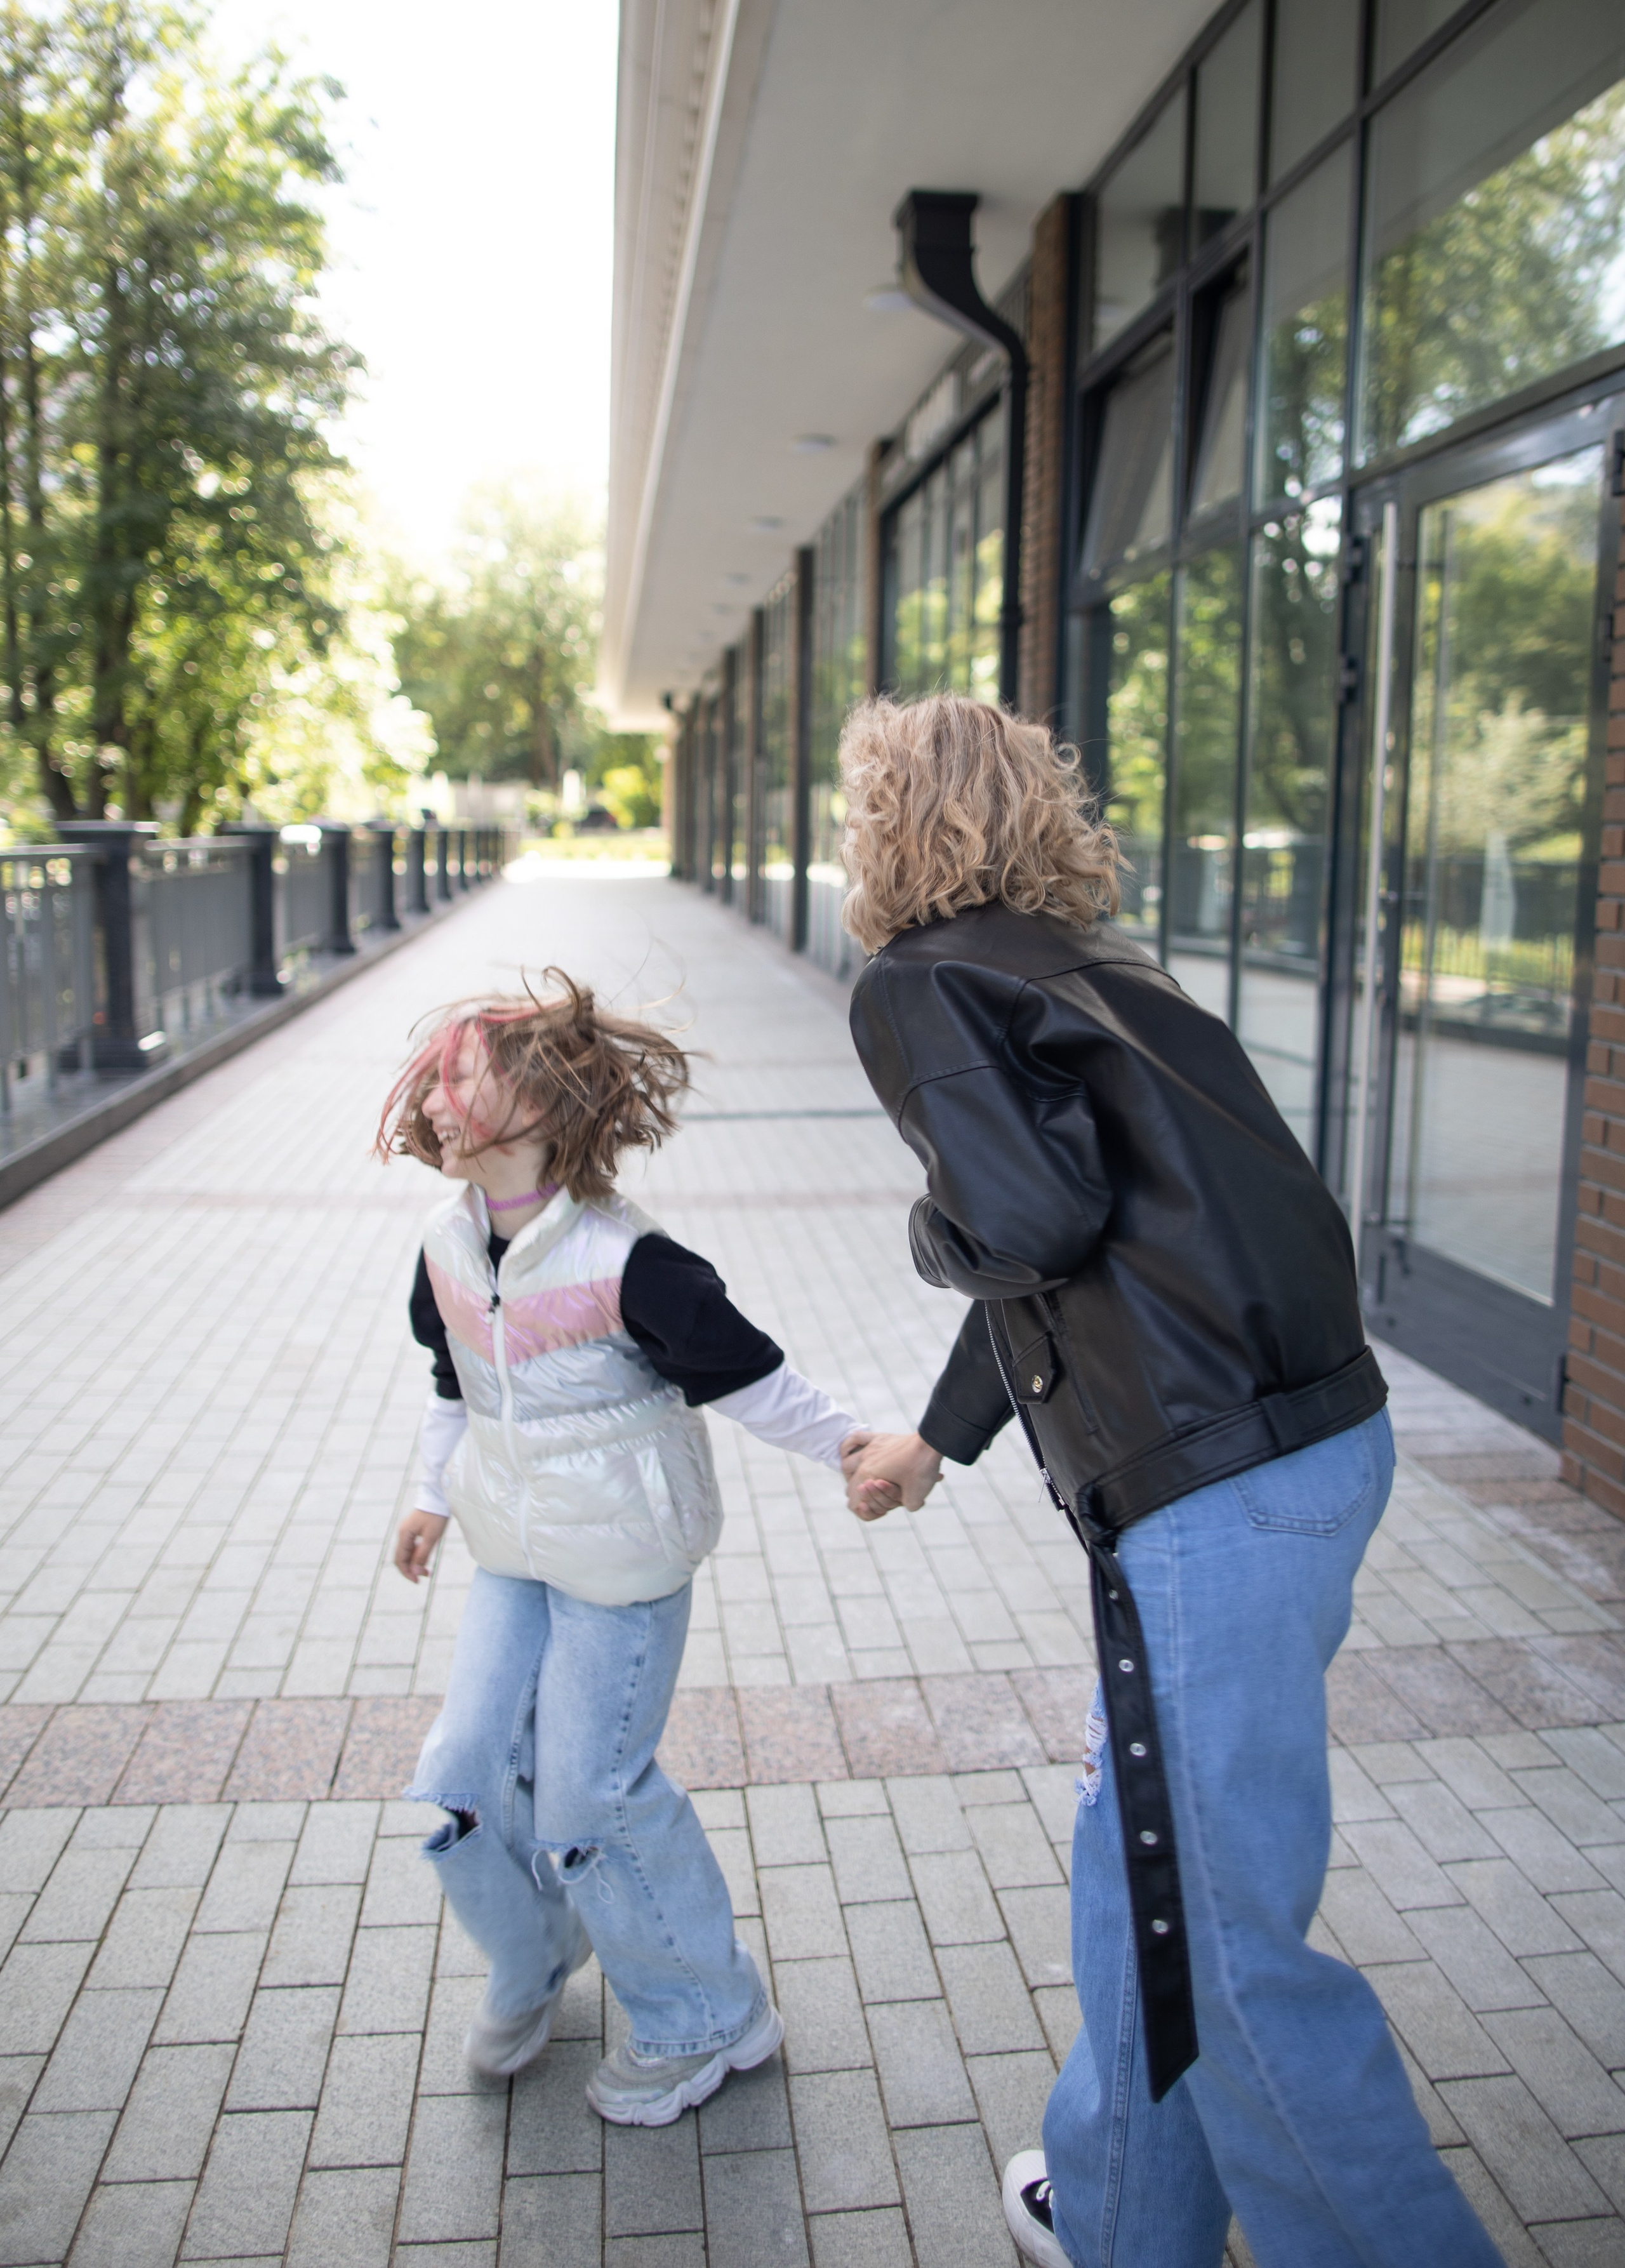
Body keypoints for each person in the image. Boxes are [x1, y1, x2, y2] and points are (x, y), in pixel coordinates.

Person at [836, 696, 1503, 2268]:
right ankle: (1126, 2211)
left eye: (857, 799)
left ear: (896, 821)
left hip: (1216, 1503)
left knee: (1213, 1942)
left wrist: (924, 1230)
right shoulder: (1100, 967)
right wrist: (942, 1435)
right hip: (1314, 1451)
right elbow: (1100, 1240)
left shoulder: (916, 980)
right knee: (1133, 1870)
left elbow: (1025, 1225)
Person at [378, 974, 866, 2125]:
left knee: (589, 1800)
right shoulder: (446, 1246)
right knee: (459, 1777)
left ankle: (710, 2014)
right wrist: (425, 1498)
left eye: (462, 1080)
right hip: (514, 1551)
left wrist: (856, 1446)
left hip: (626, 1565)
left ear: (540, 1105)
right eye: (436, 1079)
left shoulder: (629, 1261)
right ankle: (538, 1954)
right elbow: (455, 1381)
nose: (436, 1101)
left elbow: (753, 1379)